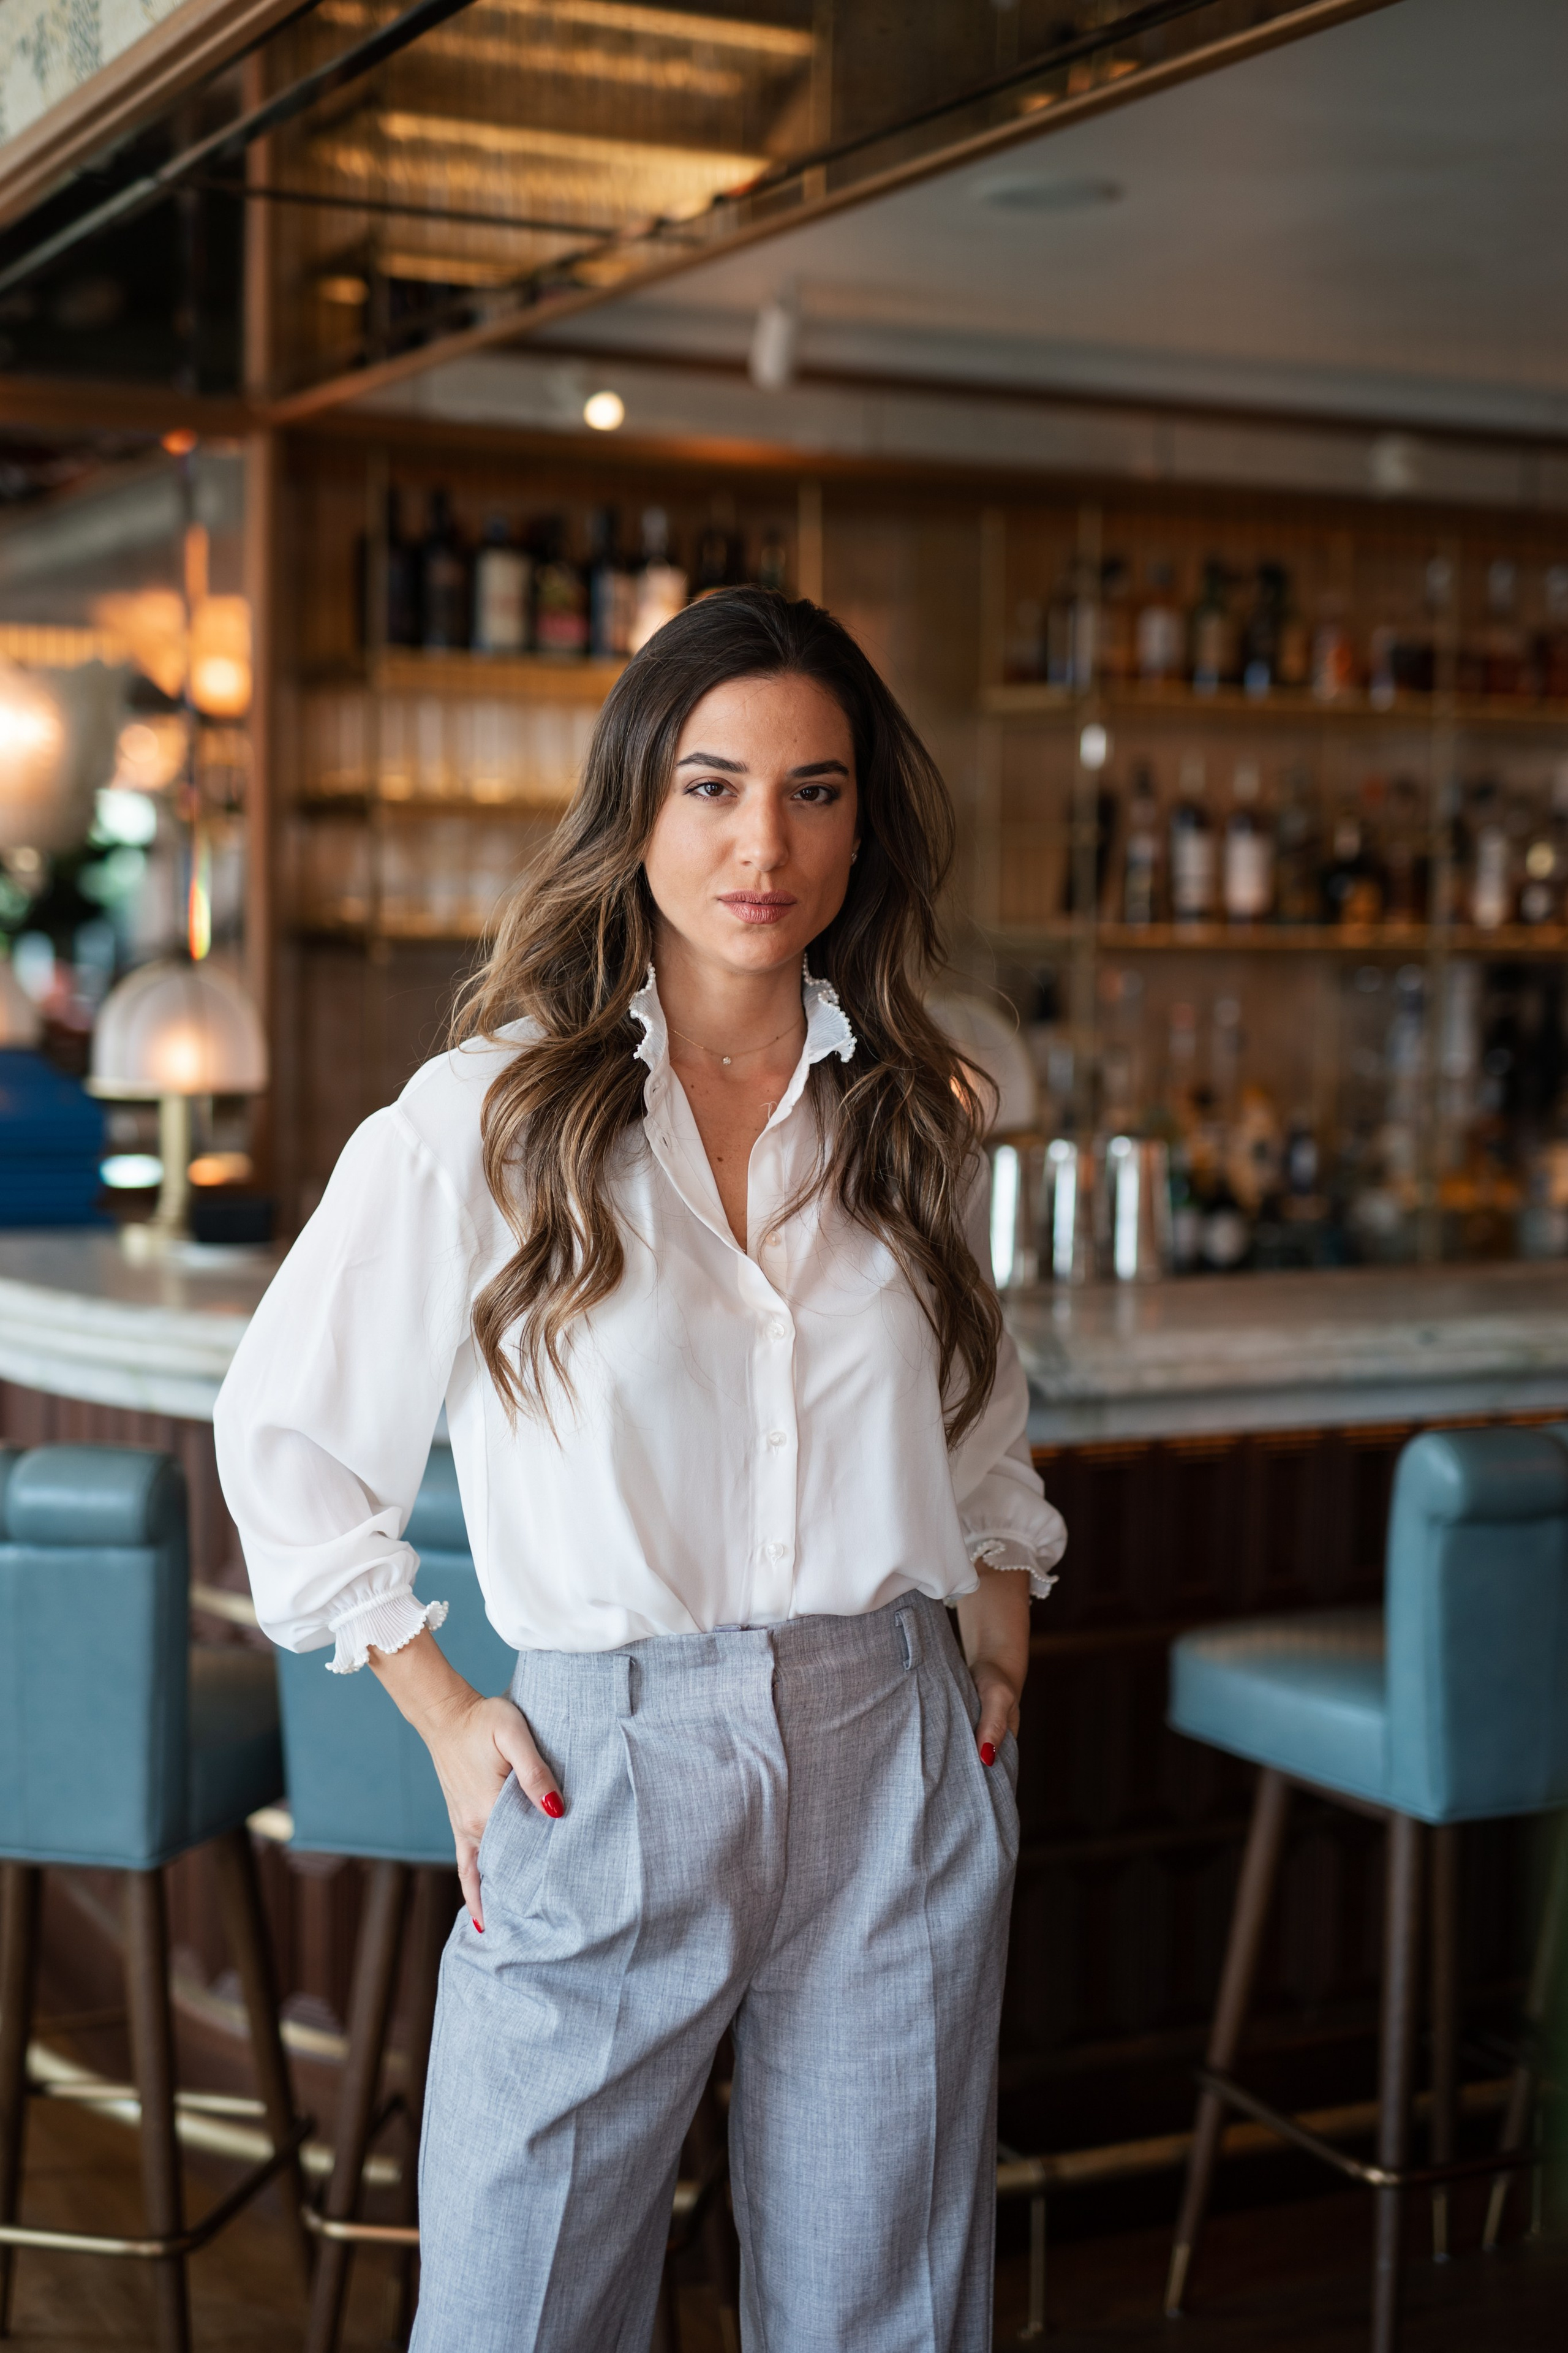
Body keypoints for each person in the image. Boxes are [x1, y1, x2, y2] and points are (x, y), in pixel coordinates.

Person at [216, 586, 1066, 2352]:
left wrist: (994, 1617)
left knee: (886, 2317)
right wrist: (447, 1709)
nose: (767, 839)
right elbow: (287, 1438)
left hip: (893, 1749)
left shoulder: (919, 1110)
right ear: (637, 808)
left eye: (817, 790)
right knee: (522, 2307)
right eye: (713, 784)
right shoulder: (490, 1119)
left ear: (863, 821)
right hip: (608, 1761)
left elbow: (978, 1406)